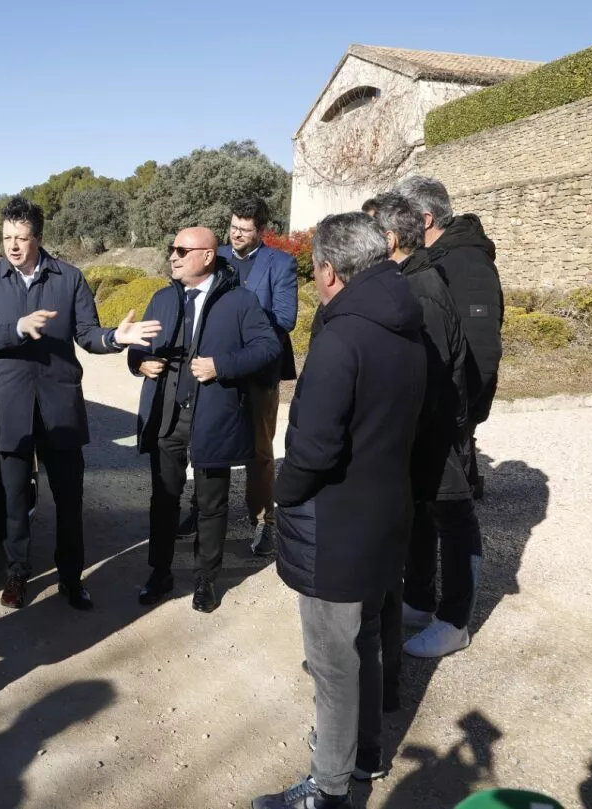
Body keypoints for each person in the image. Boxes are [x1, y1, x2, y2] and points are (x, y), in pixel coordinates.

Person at [253, 213, 426, 809]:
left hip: (338, 527)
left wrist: (284, 492)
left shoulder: (341, 337)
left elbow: (314, 448)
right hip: (386, 512)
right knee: (368, 641)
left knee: (332, 663)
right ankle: (365, 753)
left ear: (329, 271)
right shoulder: (407, 325)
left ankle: (329, 789)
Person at [0, 195, 161, 610]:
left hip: (59, 406)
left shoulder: (69, 278)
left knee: (69, 499)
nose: (12, 245)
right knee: (14, 500)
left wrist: (115, 338)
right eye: (6, 237)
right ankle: (17, 573)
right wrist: (18, 328)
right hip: (10, 407)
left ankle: (71, 578)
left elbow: (88, 334)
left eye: (21, 238)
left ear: (38, 238)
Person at [129, 227, 279, 612]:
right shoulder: (162, 299)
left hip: (214, 418)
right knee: (164, 500)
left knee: (212, 505)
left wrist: (221, 365)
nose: (173, 256)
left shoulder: (240, 301)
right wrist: (139, 362)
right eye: (172, 249)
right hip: (167, 418)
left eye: (182, 250)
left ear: (208, 256)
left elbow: (268, 348)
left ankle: (206, 580)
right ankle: (159, 573)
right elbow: (137, 349)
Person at [370, 192, 484, 660]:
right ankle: (419, 600)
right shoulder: (408, 279)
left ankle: (455, 621)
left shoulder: (421, 287)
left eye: (370, 229)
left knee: (454, 517)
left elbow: (433, 374)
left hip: (434, 430)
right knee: (420, 513)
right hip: (419, 430)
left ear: (389, 238)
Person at [393, 175, 503, 499]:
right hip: (432, 407)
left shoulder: (468, 263)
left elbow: (483, 351)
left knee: (449, 507)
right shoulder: (431, 257)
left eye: (402, 215)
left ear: (425, 219)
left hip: (449, 411)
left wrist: (459, 415)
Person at [215, 198, 298, 557]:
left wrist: (245, 334)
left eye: (244, 230)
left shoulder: (280, 263)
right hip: (217, 367)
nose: (236, 234)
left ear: (261, 230)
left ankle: (264, 521)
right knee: (211, 441)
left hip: (259, 371)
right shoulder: (216, 257)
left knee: (260, 450)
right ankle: (204, 511)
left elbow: (285, 318)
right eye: (233, 227)